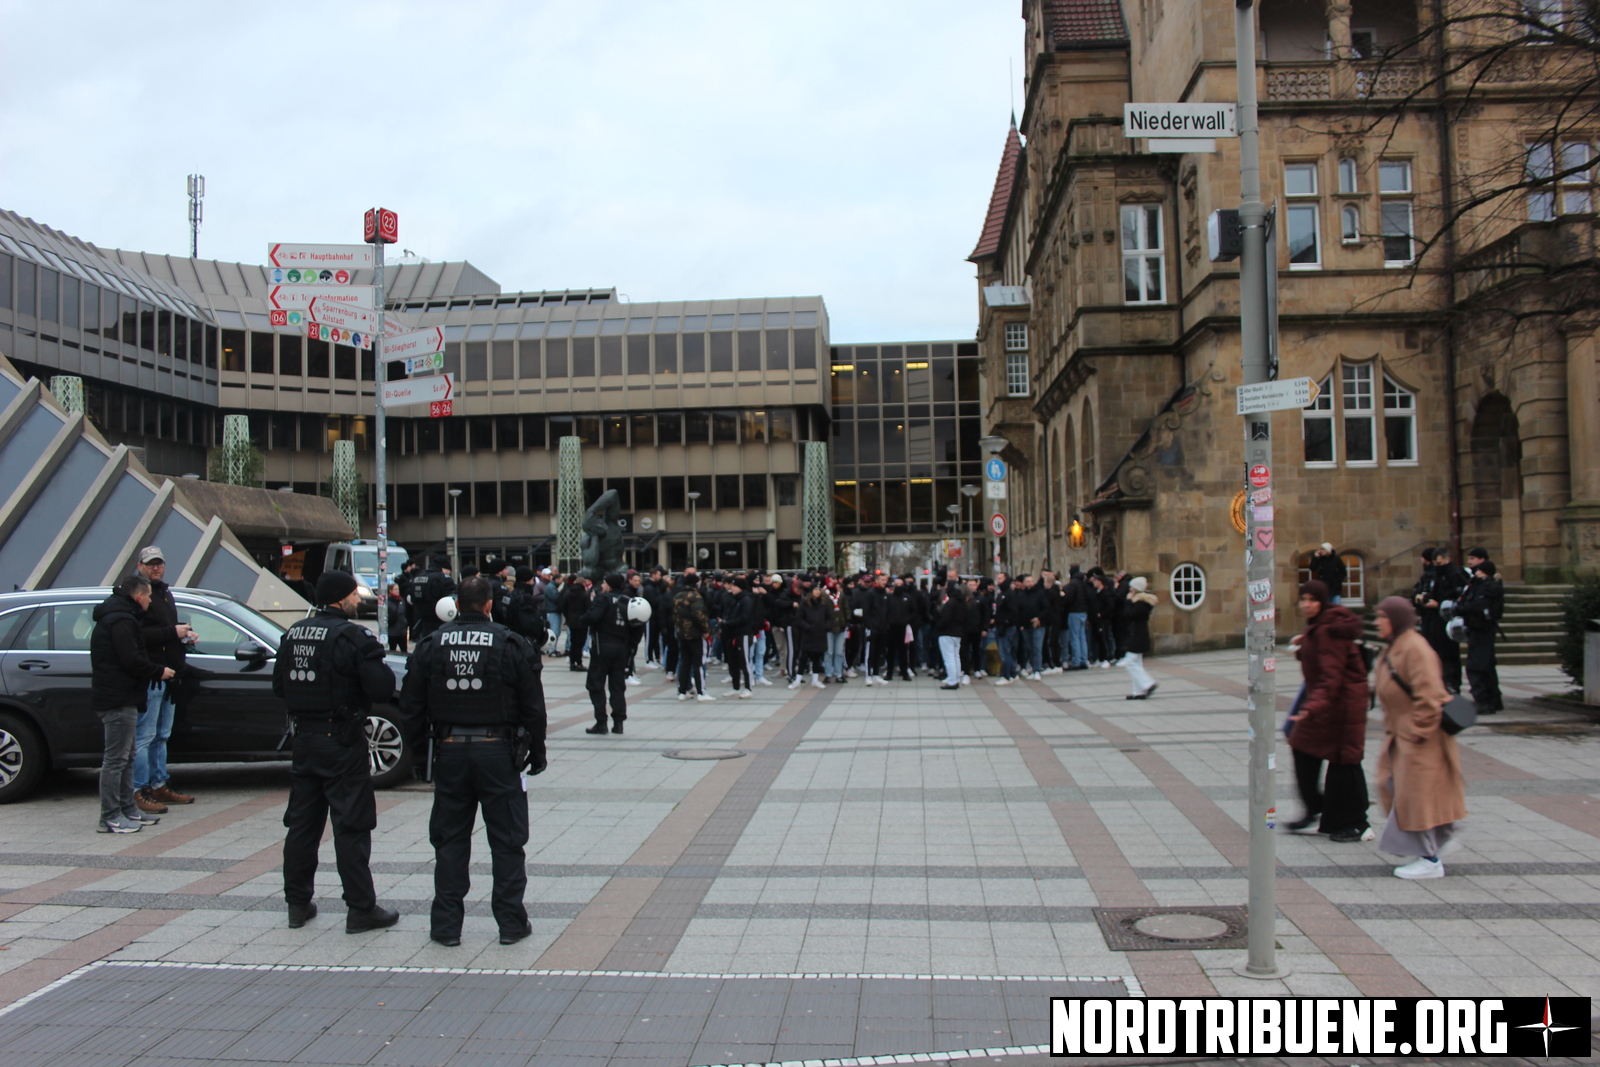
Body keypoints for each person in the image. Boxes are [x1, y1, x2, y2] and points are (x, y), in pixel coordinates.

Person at [401, 576, 547, 946]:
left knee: (449, 842)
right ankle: (511, 924)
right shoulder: (510, 642)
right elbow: (533, 705)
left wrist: (420, 755)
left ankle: (446, 927)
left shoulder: (432, 643)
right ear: (488, 605)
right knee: (508, 841)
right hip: (498, 753)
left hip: (449, 750)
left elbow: (412, 706)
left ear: (457, 605)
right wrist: (538, 750)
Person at [273, 571, 401, 933]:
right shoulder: (351, 636)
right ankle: (361, 908)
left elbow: (279, 686)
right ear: (342, 598)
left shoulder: (294, 633)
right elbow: (381, 687)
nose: (357, 601)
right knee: (351, 825)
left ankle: (297, 904)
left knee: (302, 825)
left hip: (305, 742)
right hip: (342, 743)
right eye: (353, 595)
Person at [1373, 595, 1468, 879]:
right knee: (1397, 787)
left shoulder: (1415, 648)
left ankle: (1430, 858)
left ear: (1397, 620)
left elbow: (1428, 694)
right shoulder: (1397, 646)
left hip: (1421, 737)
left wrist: (1419, 730)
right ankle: (1440, 839)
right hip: (1403, 734)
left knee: (1417, 797)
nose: (1377, 622)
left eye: (1382, 617)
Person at [1284, 581, 1372, 842]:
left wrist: (1311, 707)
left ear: (1323, 601)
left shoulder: (1328, 630)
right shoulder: (1321, 626)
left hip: (1341, 705)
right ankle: (1318, 810)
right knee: (1303, 748)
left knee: (1345, 762)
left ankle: (1358, 823)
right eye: (1303, 599)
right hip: (1329, 703)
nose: (1306, 604)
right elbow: (1325, 660)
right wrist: (1304, 647)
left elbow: (1331, 676)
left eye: (1312, 599)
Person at [90, 574, 174, 833]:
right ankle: (110, 816)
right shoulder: (121, 621)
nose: (150, 601)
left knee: (126, 758)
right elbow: (130, 659)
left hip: (125, 696)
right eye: (148, 596)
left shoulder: (123, 617)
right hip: (117, 698)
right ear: (138, 596)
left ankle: (128, 809)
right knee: (115, 759)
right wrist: (158, 671)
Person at [132, 546, 196, 815]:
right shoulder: (138, 596)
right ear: (140, 566)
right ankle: (139, 789)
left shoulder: (165, 593)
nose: (155, 568)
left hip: (170, 675)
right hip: (152, 675)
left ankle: (159, 784)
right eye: (150, 564)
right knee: (144, 736)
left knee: (161, 735)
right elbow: (137, 635)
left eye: (159, 563)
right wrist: (172, 631)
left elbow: (166, 632)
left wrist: (184, 635)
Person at [1457, 552, 1505, 713]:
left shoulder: (1487, 587)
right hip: (1478, 629)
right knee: (1486, 665)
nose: (1475, 572)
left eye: (1479, 570)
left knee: (1477, 666)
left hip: (1482, 629)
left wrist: (1461, 608)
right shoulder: (1480, 585)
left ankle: (1483, 700)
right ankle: (1492, 699)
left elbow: (1476, 605)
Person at [1416, 547, 1467, 692]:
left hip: (1446, 620)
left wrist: (1439, 604)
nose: (1437, 567)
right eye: (1435, 564)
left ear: (1447, 560)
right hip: (1431, 619)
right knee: (1432, 652)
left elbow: (1458, 597)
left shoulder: (1455, 574)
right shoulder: (1432, 575)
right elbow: (1427, 590)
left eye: (1439, 563)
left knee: (1448, 653)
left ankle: (1451, 682)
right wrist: (1420, 598)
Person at [672, 573, 714, 701]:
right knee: (698, 663)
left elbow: (674, 615)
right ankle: (701, 692)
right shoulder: (696, 596)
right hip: (695, 634)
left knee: (684, 663)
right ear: (696, 583)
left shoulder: (677, 596)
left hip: (681, 633)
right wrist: (706, 630)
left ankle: (682, 691)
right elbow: (699, 615)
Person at [1118, 577, 1159, 699]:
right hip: (1137, 635)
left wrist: (1128, 602)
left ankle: (1148, 683)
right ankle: (1139, 692)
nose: (1130, 589)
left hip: (1137, 636)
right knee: (1136, 663)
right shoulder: (1141, 602)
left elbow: (1129, 615)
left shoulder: (1141, 603)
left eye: (1132, 587)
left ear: (1136, 589)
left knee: (1130, 663)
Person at [409, 556, 456, 645]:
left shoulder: (417, 577)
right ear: (444, 569)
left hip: (421, 622)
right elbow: (450, 600)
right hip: (440, 622)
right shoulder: (443, 579)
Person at [721, 578, 755, 697]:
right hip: (732, 634)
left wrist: (727, 623)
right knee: (733, 662)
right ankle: (735, 688)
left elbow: (744, 618)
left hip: (743, 634)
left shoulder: (746, 600)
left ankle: (748, 688)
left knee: (744, 661)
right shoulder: (735, 599)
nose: (732, 588)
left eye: (734, 586)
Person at [794, 583, 831, 689]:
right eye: (815, 589)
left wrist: (825, 626)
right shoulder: (805, 603)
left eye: (819, 589)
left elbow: (829, 617)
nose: (817, 591)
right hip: (808, 633)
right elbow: (799, 618)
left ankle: (815, 679)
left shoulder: (824, 603)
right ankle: (798, 678)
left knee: (817, 657)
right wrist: (807, 627)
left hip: (820, 633)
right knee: (804, 656)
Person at [935, 582, 968, 690]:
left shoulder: (950, 602)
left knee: (949, 658)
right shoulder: (962, 602)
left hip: (947, 632)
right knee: (955, 656)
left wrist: (938, 625)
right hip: (958, 632)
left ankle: (952, 681)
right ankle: (956, 678)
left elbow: (945, 618)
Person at [386, 583, 408, 653]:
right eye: (395, 589)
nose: (397, 591)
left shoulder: (401, 600)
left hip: (402, 631)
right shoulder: (387, 602)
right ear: (390, 590)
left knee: (404, 650)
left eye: (398, 589)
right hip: (392, 632)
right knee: (392, 650)